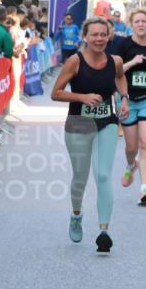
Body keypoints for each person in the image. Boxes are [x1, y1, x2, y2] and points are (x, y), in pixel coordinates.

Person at [51, 17, 130, 252]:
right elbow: (56, 93)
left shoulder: (115, 61)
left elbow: (120, 77)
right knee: (80, 176)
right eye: (94, 34)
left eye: (103, 34)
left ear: (109, 36)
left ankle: (104, 231)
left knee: (103, 175)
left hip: (106, 121)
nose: (99, 39)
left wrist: (123, 98)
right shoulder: (75, 61)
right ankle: (76, 215)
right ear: (85, 36)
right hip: (78, 123)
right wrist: (82, 97)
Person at [115, 9, 146, 206]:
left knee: (145, 142)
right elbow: (116, 70)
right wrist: (133, 62)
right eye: (137, 21)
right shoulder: (123, 45)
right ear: (131, 24)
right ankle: (130, 164)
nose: (141, 24)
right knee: (131, 147)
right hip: (128, 99)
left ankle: (144, 188)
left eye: (144, 21)